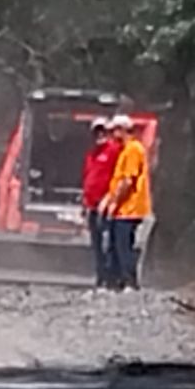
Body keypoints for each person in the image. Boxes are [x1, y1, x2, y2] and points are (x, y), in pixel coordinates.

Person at [102, 114, 152, 290]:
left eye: (114, 130)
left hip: (129, 208)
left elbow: (127, 181)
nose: (112, 134)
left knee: (124, 246)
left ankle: (130, 282)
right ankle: (119, 282)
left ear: (123, 130)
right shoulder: (125, 150)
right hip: (123, 208)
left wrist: (114, 202)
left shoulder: (133, 150)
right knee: (116, 244)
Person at [79, 117, 120, 288]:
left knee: (107, 243)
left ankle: (111, 279)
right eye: (96, 131)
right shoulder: (91, 155)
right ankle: (100, 277)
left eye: (103, 131)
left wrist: (110, 199)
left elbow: (119, 177)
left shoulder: (114, 151)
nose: (100, 134)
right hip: (92, 205)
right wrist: (84, 202)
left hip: (106, 205)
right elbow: (88, 178)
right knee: (96, 244)